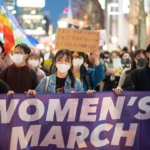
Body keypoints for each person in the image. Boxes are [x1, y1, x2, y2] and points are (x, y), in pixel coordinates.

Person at [27, 49, 95, 95]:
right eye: (60, 60)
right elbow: (36, 100)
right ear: (55, 62)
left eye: (66, 60)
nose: (63, 63)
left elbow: (82, 101)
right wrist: (32, 93)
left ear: (71, 64)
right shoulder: (45, 81)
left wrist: (88, 94)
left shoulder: (77, 83)